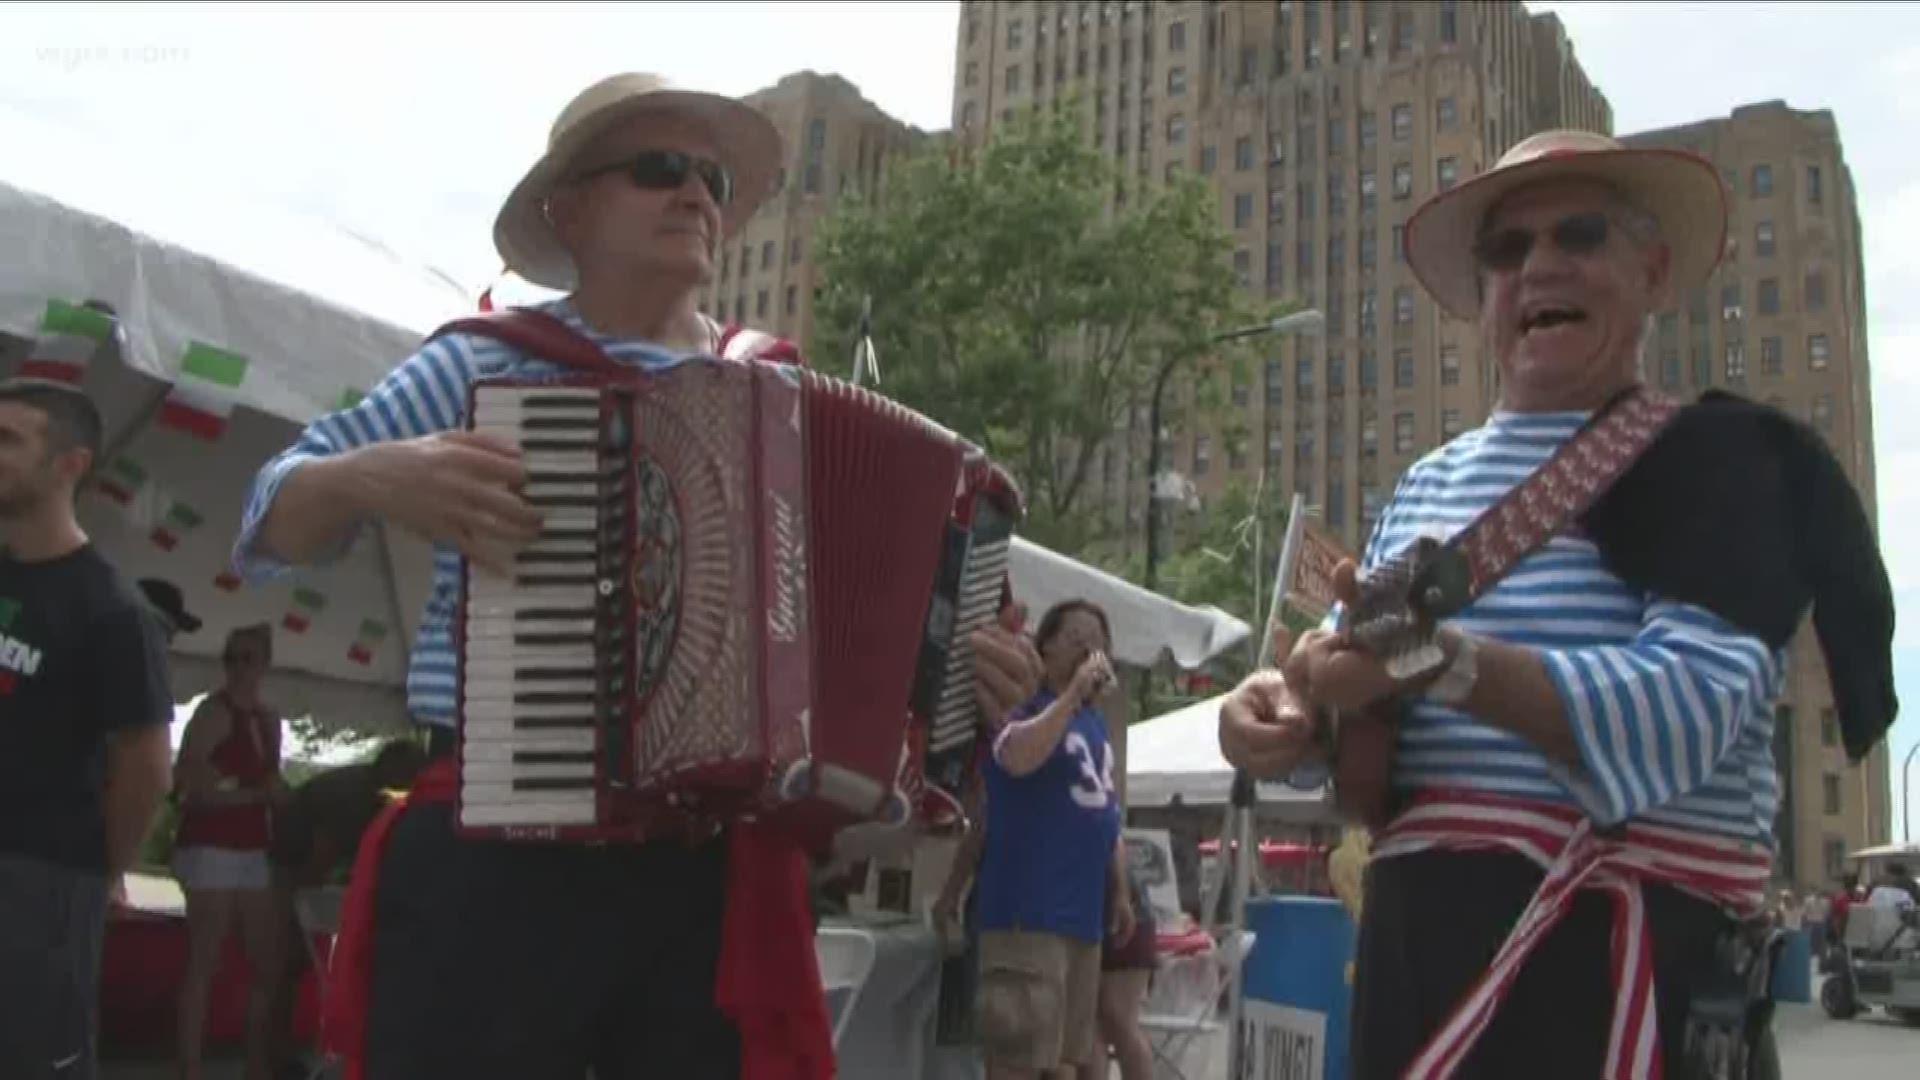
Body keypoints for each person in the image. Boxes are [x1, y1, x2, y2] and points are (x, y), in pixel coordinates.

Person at [230, 71, 1044, 1080]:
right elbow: (271, 516)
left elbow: (901, 653)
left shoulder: (775, 386)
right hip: (497, 850)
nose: (696, 194)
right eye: (659, 170)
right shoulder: (486, 362)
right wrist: (375, 472)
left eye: (709, 179)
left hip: (707, 880)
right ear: (567, 209)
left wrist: (972, 671)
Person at [1216, 129, 1897, 1078]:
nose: (1539, 265)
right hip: (1418, 980)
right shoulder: (1420, 488)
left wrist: (1434, 662)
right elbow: (1363, 714)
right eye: (1508, 249)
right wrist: (1288, 716)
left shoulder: (1720, 460)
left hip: (1625, 979)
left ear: (1653, 272)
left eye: (1579, 235)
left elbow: (1684, 713)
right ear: (1487, 294)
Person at [0, 378, 175, 1080]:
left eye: (9, 439)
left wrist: (93, 872)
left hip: (42, 883)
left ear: (68, 464)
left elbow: (148, 769)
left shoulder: (112, 612)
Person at [971, 599, 1132, 1080]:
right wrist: (1071, 695)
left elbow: (1106, 813)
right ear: (1045, 647)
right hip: (1028, 914)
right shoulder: (1021, 711)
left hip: (1081, 919)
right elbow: (1016, 758)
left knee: (1065, 1061)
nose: (1089, 648)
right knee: (1019, 1057)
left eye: (1098, 640)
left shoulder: (1096, 726)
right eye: (1076, 637)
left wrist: (1120, 892)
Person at [264, 739, 426, 1075]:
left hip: (300, 870)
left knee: (293, 969)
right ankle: (274, 1057)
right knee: (283, 966)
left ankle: (284, 1055)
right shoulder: (354, 798)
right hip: (288, 869)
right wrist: (302, 912)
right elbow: (317, 861)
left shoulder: (373, 794)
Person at [171, 623, 285, 1080]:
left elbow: (269, 782)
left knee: (267, 960)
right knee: (206, 959)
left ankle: (255, 1064)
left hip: (253, 846)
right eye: (231, 658)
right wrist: (253, 797)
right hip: (211, 843)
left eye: (247, 659)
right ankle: (190, 1069)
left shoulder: (270, 719)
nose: (238, 668)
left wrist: (277, 800)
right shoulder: (211, 714)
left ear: (264, 665)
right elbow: (188, 789)